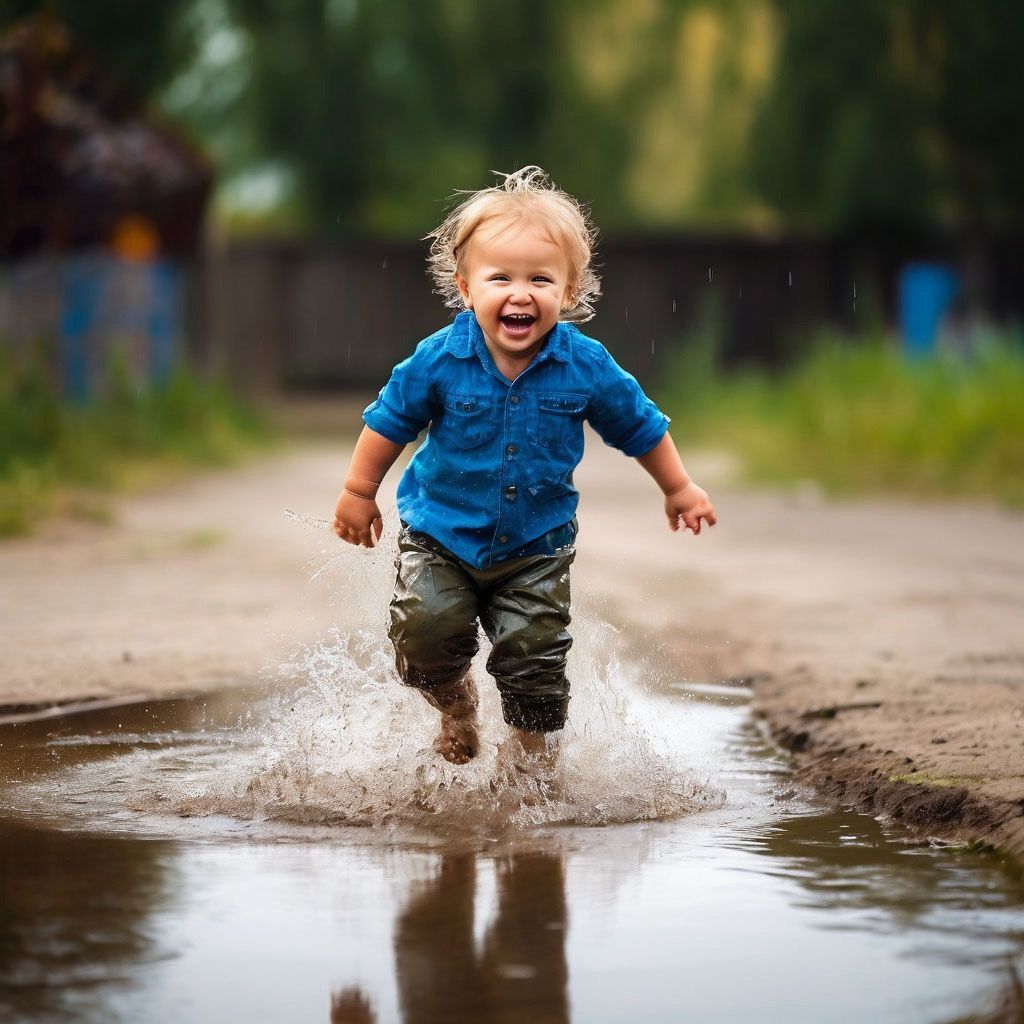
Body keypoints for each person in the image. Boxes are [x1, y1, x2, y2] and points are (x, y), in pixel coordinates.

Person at [333, 166, 717, 778]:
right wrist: (359, 491)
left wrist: (678, 487)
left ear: (568, 292)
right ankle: (455, 707)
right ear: (465, 288)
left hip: (537, 548)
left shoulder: (585, 366)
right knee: (424, 635)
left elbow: (639, 425)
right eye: (500, 278)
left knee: (535, 656)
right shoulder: (438, 358)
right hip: (441, 538)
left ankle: (532, 765)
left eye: (541, 278)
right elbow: (388, 422)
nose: (521, 293)